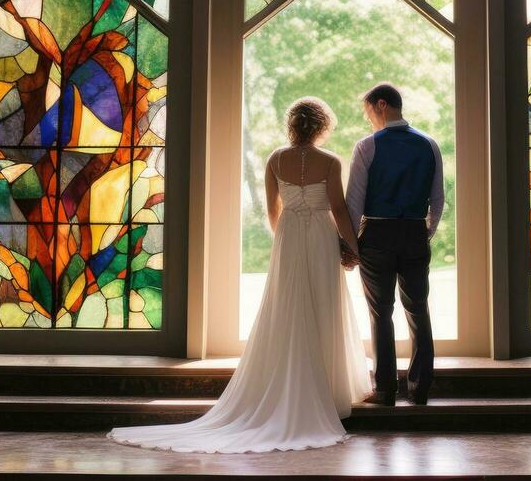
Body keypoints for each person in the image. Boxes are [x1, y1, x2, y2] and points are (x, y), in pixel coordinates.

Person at [109, 97, 369, 452]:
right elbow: (338, 208)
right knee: (324, 304)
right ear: (323, 126)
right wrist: (351, 247)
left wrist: (287, 240)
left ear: (292, 125)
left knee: (287, 307)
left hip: (290, 236)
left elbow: (272, 211)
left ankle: (292, 385)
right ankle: (329, 389)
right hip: (322, 237)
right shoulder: (330, 161)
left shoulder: (276, 159)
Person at [345, 82, 444, 406]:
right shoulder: (430, 145)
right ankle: (420, 388)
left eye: (368, 112)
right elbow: (438, 198)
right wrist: (424, 233)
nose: (368, 119)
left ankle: (386, 389)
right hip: (414, 232)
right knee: (418, 309)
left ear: (381, 105)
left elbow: (354, 202)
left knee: (380, 312)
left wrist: (349, 243)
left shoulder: (367, 146)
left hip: (377, 235)